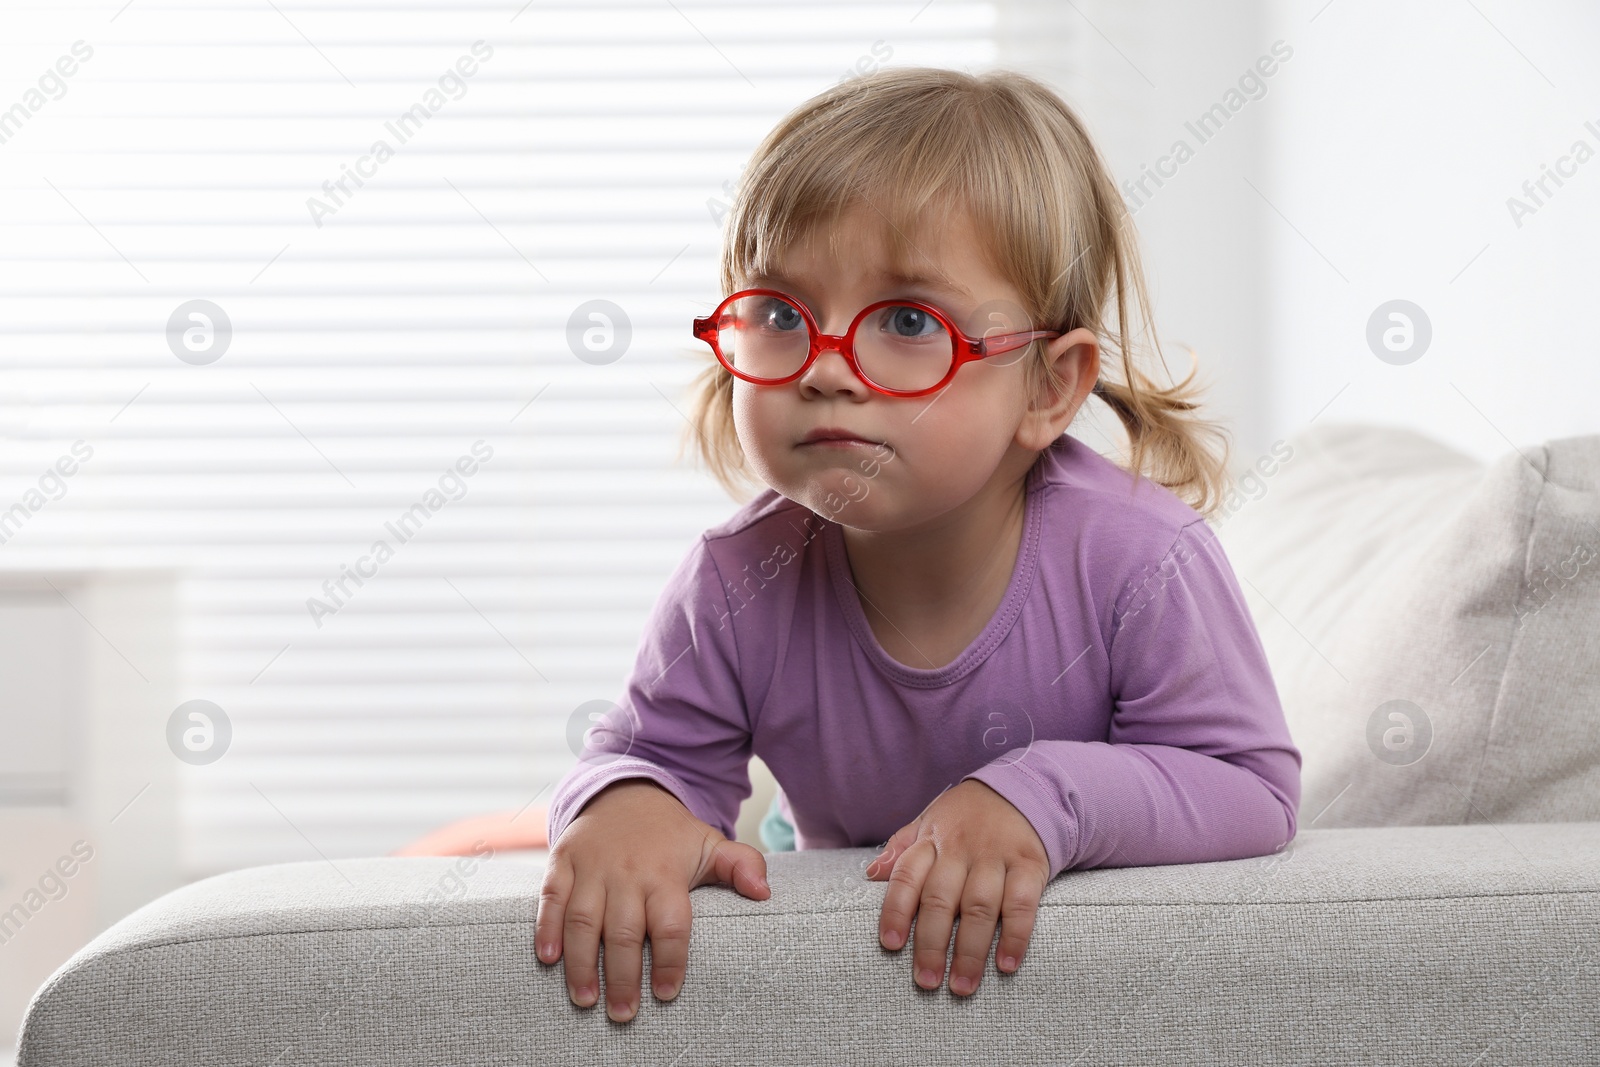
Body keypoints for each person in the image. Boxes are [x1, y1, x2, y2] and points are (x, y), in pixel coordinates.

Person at [535, 65, 1301, 1025]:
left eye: (906, 320)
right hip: (832, 869)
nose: (821, 367)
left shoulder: (1142, 561)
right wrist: (627, 805)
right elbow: (652, 759)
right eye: (779, 313)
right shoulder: (736, 580)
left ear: (1048, 389)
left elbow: (1251, 786)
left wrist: (1042, 794)